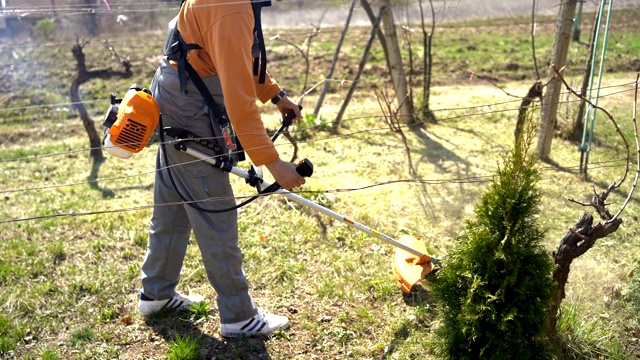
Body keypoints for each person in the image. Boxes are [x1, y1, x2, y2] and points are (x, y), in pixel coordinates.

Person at [137, 0, 305, 338]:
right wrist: (273, 163)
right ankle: (238, 316)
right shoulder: (231, 7)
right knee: (215, 210)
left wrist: (275, 94)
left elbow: (237, 59)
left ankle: (156, 293)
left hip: (178, 93)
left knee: (174, 203)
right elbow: (238, 95)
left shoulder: (233, 5)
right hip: (190, 105)